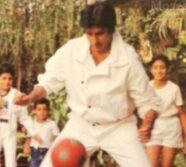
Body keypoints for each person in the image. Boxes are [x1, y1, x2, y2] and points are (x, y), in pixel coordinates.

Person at [15, 2, 162, 167]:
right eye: (89, 34)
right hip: (81, 125)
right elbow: (49, 81)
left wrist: (147, 124)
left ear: (111, 31)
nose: (94, 41)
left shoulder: (128, 58)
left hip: (119, 127)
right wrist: (30, 97)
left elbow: (147, 101)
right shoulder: (71, 50)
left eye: (100, 34)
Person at [146, 55, 186, 167]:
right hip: (153, 128)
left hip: (171, 128)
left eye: (162, 67)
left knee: (167, 165)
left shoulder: (174, 89)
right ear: (151, 70)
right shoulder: (146, 87)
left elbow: (182, 114)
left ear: (167, 69)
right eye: (155, 67)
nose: (159, 71)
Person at [23, 98, 59, 167]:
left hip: (47, 152)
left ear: (49, 111)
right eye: (39, 109)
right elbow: (29, 138)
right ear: (34, 111)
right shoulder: (32, 125)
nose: (42, 112)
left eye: (44, 109)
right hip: (35, 152)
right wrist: (26, 146)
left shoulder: (52, 124)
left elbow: (56, 137)